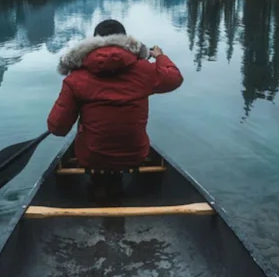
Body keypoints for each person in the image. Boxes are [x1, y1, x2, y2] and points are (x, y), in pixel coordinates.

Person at [47, 19, 183, 202]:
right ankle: (115, 185)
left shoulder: (76, 78)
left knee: (91, 148)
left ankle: (99, 185)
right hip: (135, 153)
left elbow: (57, 128)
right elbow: (174, 79)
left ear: (92, 43)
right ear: (126, 41)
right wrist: (159, 56)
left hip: (91, 156)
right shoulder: (145, 71)